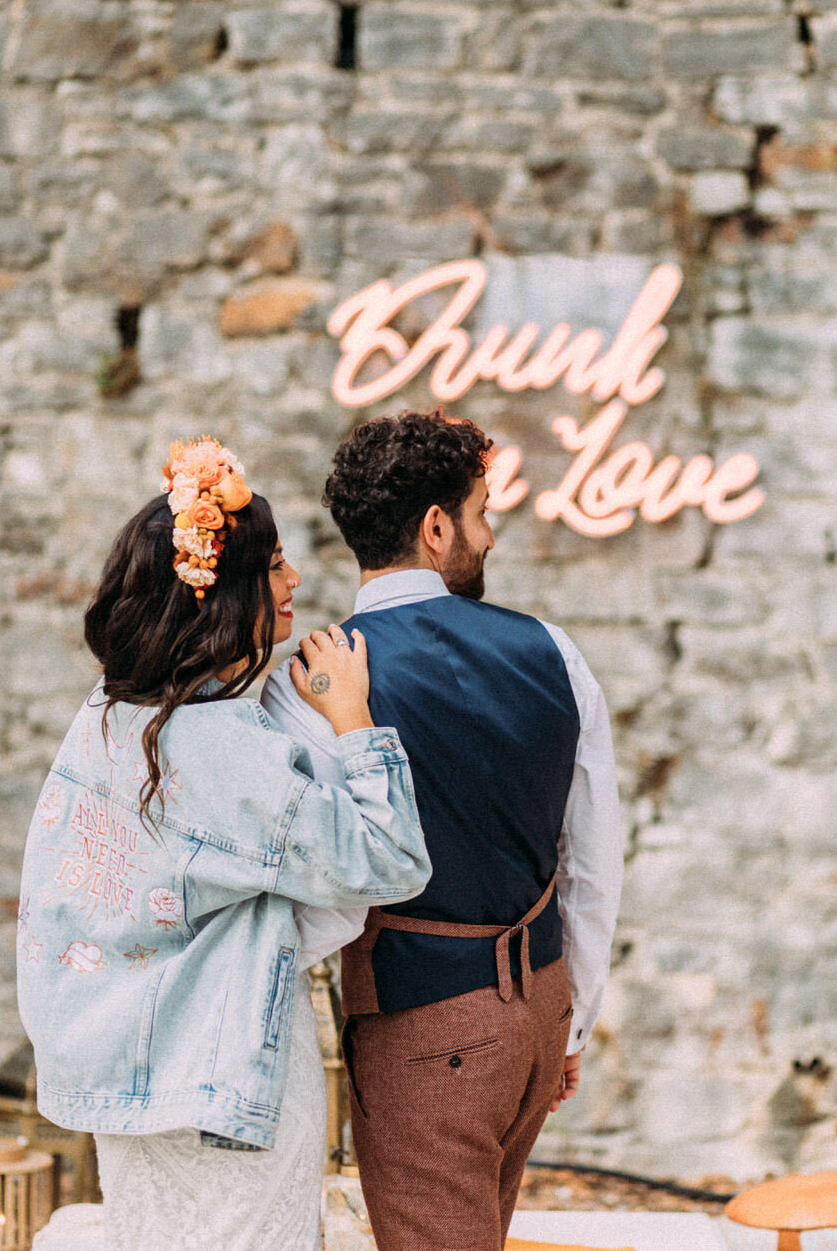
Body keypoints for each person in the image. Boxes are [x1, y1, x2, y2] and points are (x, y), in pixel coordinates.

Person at [17, 436, 430, 1251]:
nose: (295, 581)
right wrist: (353, 717)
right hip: (221, 1085)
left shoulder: (105, 714)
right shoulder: (224, 748)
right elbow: (392, 860)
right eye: (275, 565)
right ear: (228, 591)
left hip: (119, 1080)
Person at [263, 409, 624, 1251]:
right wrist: (571, 1020)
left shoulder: (312, 681)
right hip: (539, 1008)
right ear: (435, 528)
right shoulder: (556, 653)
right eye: (481, 511)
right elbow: (595, 861)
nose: (489, 536)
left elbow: (314, 883)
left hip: (425, 1032)